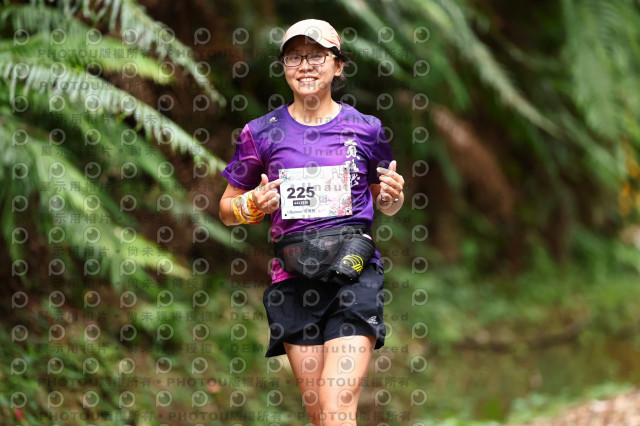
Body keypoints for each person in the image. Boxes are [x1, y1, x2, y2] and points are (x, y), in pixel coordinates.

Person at [218, 19, 405, 426]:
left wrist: (394, 198)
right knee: (320, 413)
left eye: (317, 56)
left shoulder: (367, 129)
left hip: (354, 274)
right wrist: (252, 204)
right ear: (284, 67)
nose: (305, 65)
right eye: (294, 57)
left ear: (338, 66)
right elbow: (226, 209)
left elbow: (384, 201)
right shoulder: (260, 133)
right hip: (293, 280)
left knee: (337, 404)